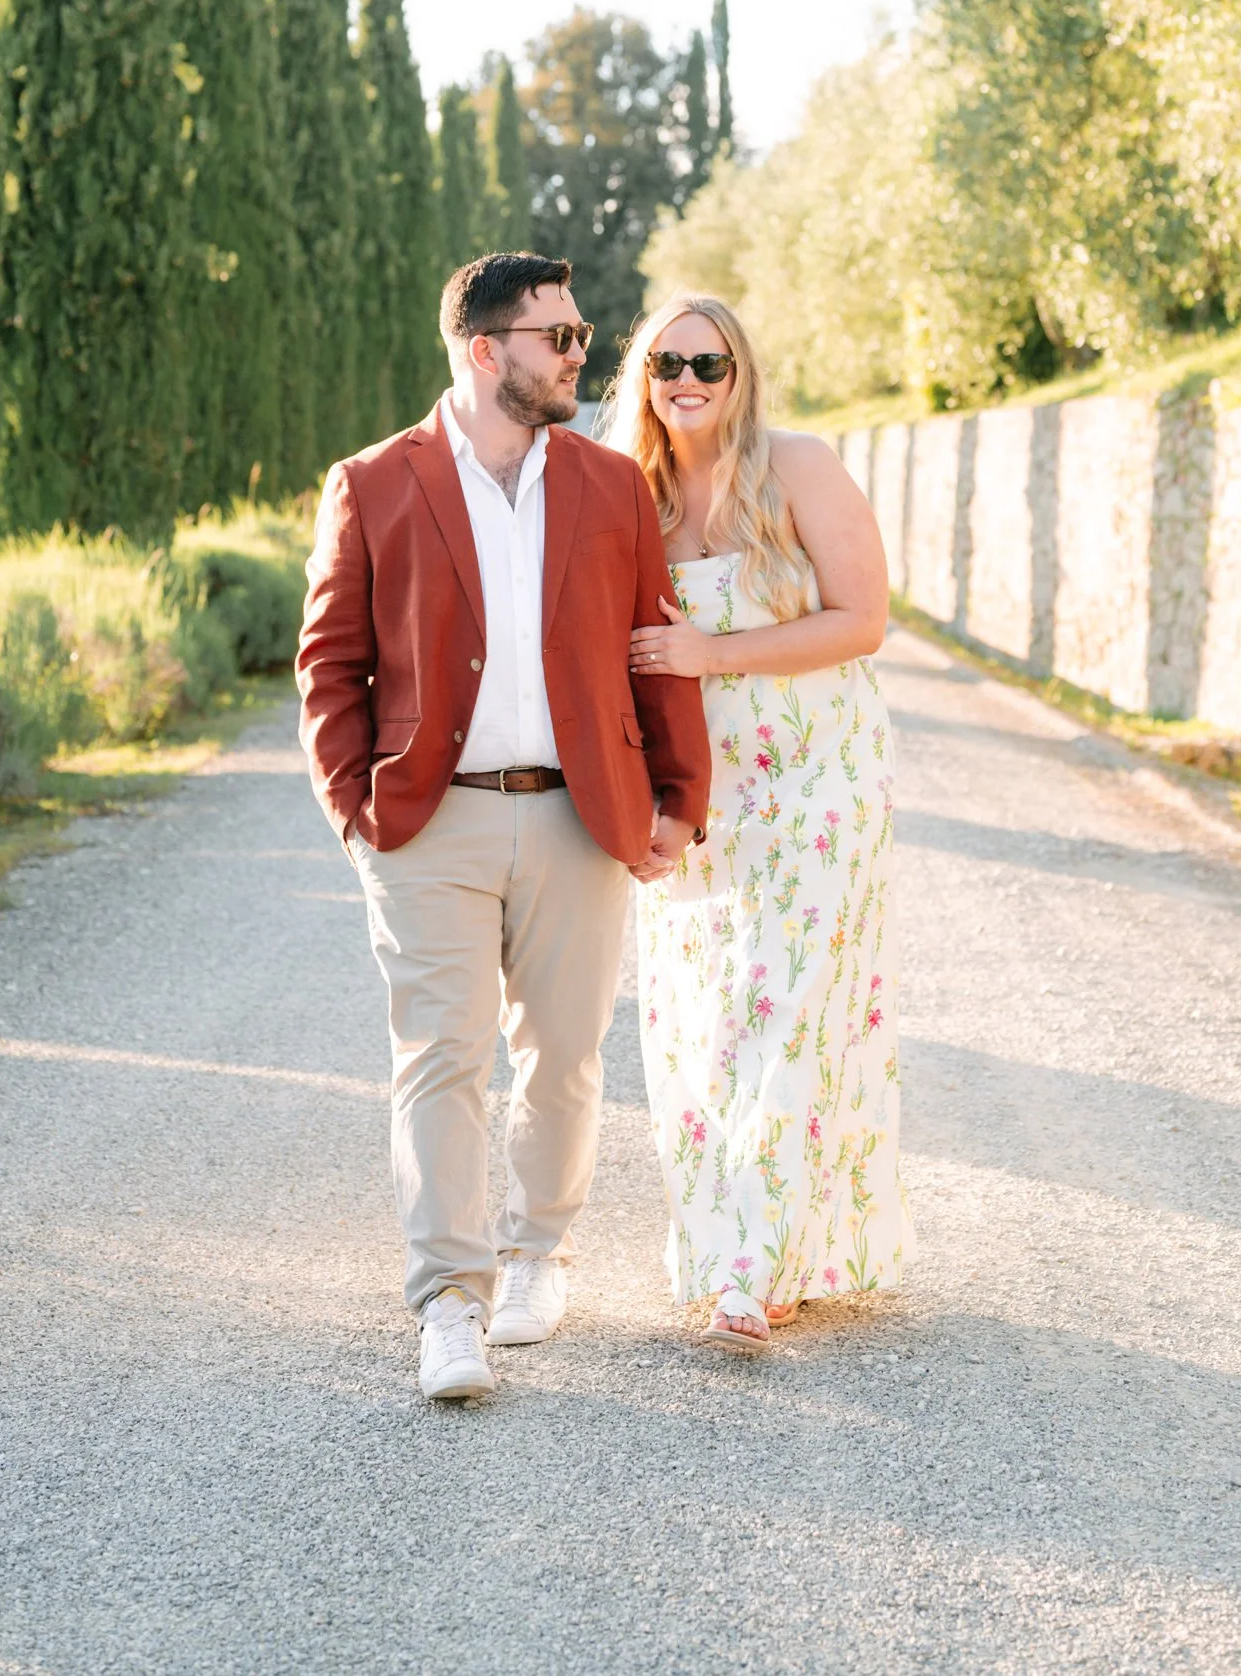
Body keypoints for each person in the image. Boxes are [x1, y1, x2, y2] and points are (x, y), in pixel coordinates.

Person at [296, 251, 710, 1400]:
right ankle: (448, 1303)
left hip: (580, 814)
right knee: (440, 1056)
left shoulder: (610, 485)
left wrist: (679, 797)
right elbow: (329, 665)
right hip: (429, 821)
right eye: (557, 336)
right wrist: (355, 813)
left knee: (564, 1057)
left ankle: (538, 1254)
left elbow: (652, 646)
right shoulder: (372, 482)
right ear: (485, 350)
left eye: (581, 334)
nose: (581, 354)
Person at [609, 291, 913, 1348]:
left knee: (789, 1006)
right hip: (702, 796)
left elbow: (862, 620)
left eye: (709, 362)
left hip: (821, 778)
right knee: (705, 1020)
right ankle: (752, 1247)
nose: (687, 380)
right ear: (642, 380)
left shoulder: (799, 467)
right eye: (666, 364)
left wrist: (714, 653)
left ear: (739, 374)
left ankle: (750, 1267)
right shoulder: (627, 496)